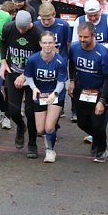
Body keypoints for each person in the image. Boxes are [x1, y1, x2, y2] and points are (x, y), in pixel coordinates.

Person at [68, 21, 108, 162]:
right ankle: (98, 139)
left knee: (97, 124)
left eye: (86, 37)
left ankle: (102, 148)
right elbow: (71, 63)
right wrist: (72, 80)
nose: (82, 40)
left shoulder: (103, 54)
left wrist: (102, 101)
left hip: (98, 92)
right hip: (81, 90)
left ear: (93, 35)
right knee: (81, 122)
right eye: (80, 36)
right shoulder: (75, 48)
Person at [0, 10, 43, 157]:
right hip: (13, 74)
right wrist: (3, 61)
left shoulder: (37, 34)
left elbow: (40, 58)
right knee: (13, 111)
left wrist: (25, 75)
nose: (21, 31)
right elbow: (3, 43)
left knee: (31, 113)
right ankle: (20, 126)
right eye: (19, 28)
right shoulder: (8, 28)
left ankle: (32, 144)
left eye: (24, 29)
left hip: (31, 78)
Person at [24, 30, 68, 163]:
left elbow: (61, 82)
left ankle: (50, 150)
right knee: (41, 129)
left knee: (49, 127)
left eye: (50, 43)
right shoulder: (33, 59)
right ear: (40, 44)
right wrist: (34, 88)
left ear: (54, 43)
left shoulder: (60, 61)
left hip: (56, 94)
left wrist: (54, 94)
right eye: (45, 43)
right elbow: (29, 76)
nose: (47, 46)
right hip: (40, 94)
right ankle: (52, 130)